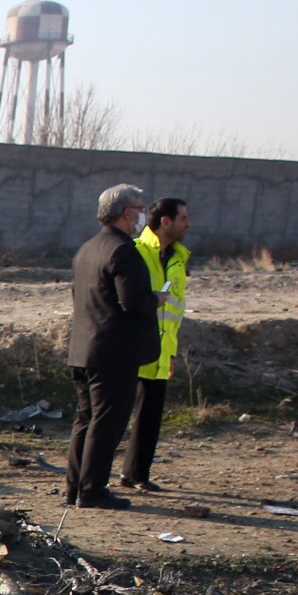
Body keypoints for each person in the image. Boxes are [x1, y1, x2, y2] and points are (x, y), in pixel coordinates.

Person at [63, 183, 161, 511]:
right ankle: (92, 491)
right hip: (114, 351)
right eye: (139, 208)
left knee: (86, 420)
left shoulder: (88, 249)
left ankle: (74, 486)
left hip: (83, 348)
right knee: (107, 422)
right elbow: (132, 301)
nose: (143, 214)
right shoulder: (122, 250)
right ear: (125, 212)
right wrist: (156, 299)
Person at [119, 197, 192, 494]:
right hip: (131, 347)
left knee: (150, 416)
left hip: (160, 349)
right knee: (115, 415)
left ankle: (137, 474)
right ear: (166, 221)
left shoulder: (177, 258)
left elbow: (174, 312)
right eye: (183, 218)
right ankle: (91, 477)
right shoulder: (134, 251)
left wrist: (171, 352)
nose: (188, 224)